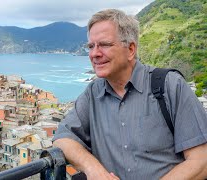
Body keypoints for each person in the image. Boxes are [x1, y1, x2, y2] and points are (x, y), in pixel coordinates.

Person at [52, 9, 207, 180]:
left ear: (131, 49)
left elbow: (201, 161)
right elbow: (62, 138)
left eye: (104, 44)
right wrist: (94, 170)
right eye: (91, 46)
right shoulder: (92, 93)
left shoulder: (170, 86)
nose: (94, 53)